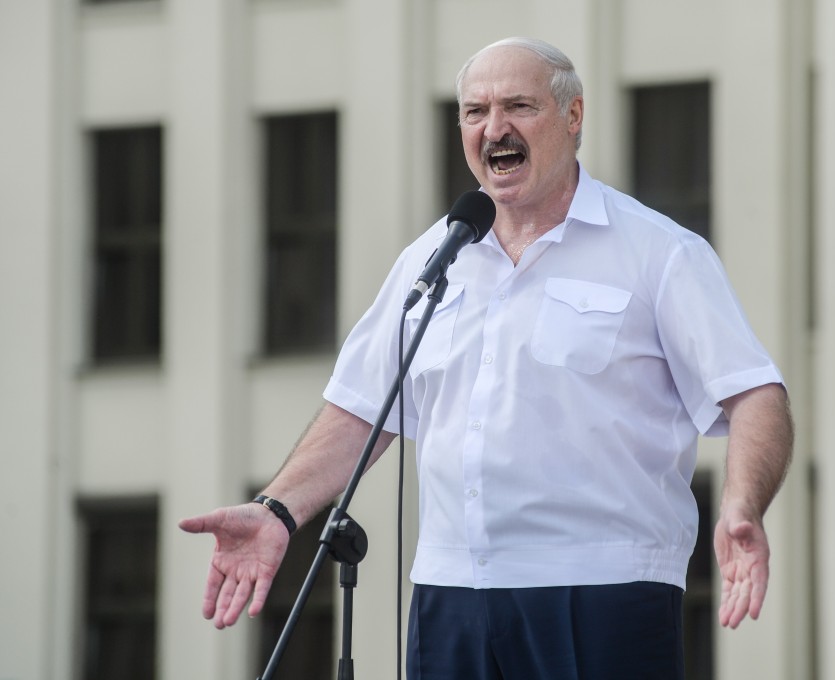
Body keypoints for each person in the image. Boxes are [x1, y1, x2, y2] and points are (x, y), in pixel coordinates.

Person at [180, 36, 793, 680]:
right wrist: (278, 509)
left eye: (518, 106)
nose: (493, 128)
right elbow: (361, 409)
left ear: (573, 116)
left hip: (603, 592)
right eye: (474, 112)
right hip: (450, 597)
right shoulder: (431, 260)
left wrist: (742, 506)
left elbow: (755, 394)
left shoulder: (658, 252)